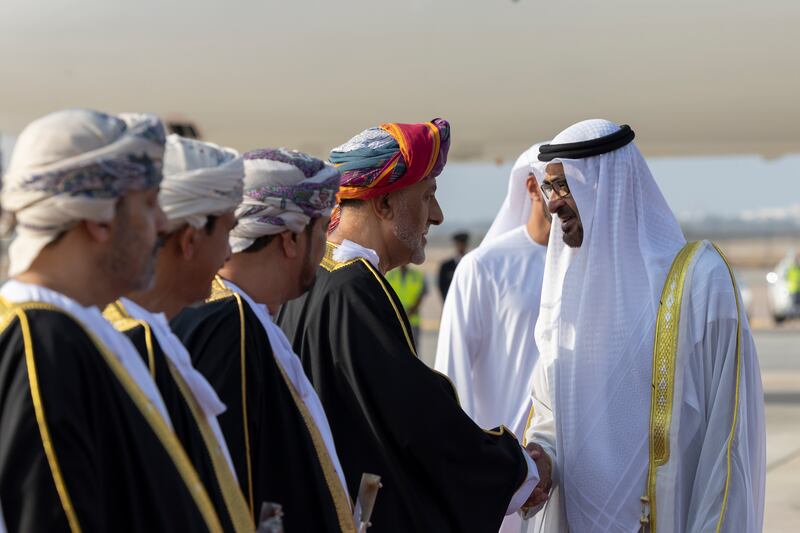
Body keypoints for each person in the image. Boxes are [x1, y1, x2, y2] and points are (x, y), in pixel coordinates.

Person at [278, 119, 541, 533]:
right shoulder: (354, 287)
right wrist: (519, 468)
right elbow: (419, 422)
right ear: (383, 205)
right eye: (428, 195)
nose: (436, 215)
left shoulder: (315, 276)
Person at [523, 119, 766, 532]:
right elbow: (549, 415)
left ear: (606, 187)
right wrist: (539, 459)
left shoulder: (699, 283)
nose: (553, 203)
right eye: (549, 188)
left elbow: (729, 446)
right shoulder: (564, 299)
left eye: (564, 186)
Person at [0, 109, 223, 532]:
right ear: (99, 217)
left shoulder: (77, 330)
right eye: (150, 203)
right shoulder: (42, 343)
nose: (161, 224)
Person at [172, 148, 354, 532]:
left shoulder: (243, 315)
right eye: (322, 232)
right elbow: (233, 487)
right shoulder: (230, 323)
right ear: (290, 239)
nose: (324, 250)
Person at [103, 134, 253, 532]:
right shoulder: (126, 344)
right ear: (189, 240)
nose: (229, 255)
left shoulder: (154, 336)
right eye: (227, 233)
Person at [435, 143, 551, 533]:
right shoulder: (483, 267)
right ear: (533, 187)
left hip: (570, 477)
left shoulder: (591, 268)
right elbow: (451, 379)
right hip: (505, 476)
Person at [385, 264, 427, 343]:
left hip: (412, 320)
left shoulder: (417, 275)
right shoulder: (390, 275)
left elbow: (422, 294)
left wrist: (412, 310)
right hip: (395, 319)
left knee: (413, 348)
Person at [437, 231, 469, 299]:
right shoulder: (446, 266)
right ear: (456, 245)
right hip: (451, 300)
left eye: (463, 244)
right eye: (459, 244)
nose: (461, 247)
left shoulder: (472, 264)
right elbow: (442, 286)